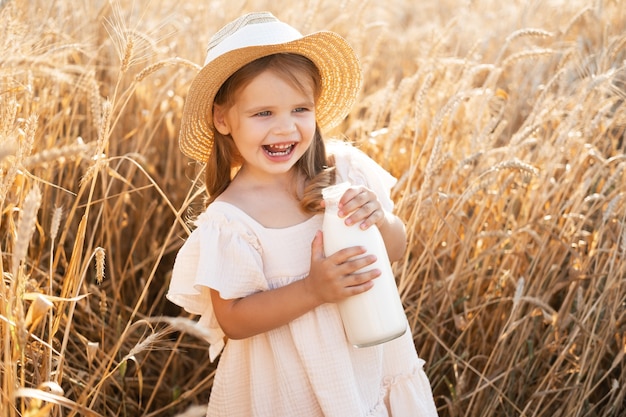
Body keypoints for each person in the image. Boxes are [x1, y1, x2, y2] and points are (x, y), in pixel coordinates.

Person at [167, 11, 439, 417]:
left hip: (368, 365)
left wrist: (379, 218)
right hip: (288, 389)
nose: (285, 128)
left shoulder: (343, 172)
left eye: (300, 109)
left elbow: (395, 249)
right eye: (263, 113)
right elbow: (234, 321)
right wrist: (313, 290)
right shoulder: (232, 219)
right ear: (223, 118)